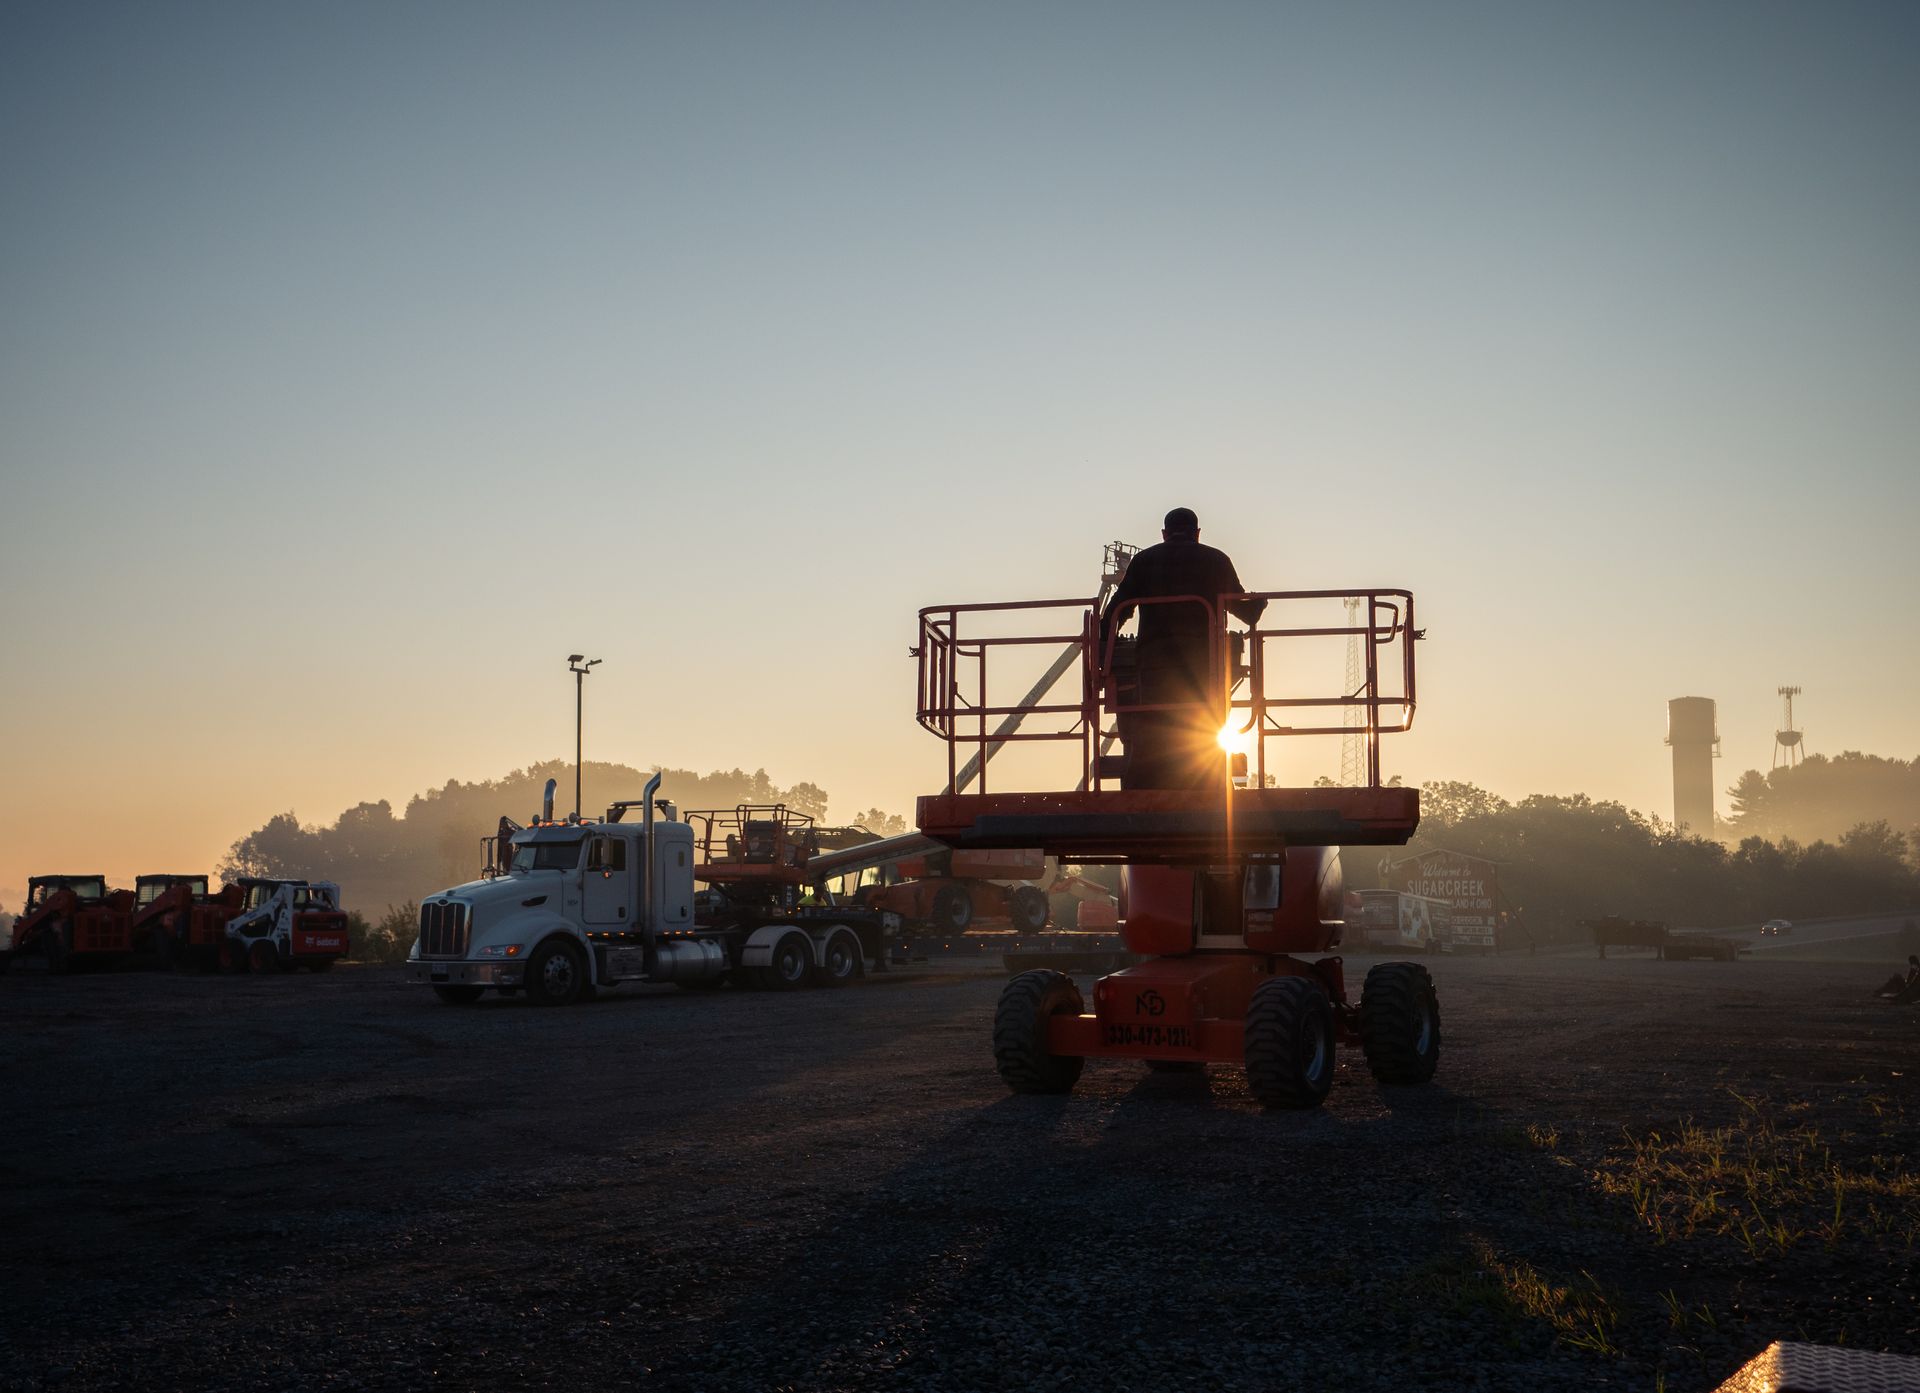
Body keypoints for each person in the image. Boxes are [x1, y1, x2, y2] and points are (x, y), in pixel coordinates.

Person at [1099, 508, 1267, 790]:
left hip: (1154, 669)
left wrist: (1103, 649)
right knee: (1203, 730)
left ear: (1164, 534)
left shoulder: (1143, 561)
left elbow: (1116, 612)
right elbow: (1245, 613)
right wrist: (1259, 604)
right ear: (1197, 533)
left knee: (1152, 731)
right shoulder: (1215, 560)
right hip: (1205, 668)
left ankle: (1141, 785)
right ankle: (1208, 782)